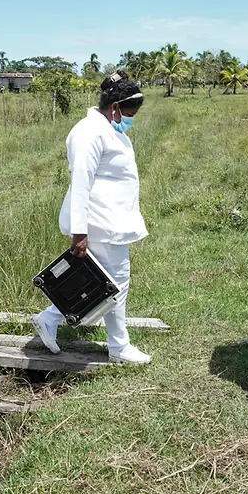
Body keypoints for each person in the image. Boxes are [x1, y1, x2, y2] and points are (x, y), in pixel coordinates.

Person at [31, 71, 151, 364]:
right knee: (115, 284)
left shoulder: (107, 129)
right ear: (115, 107)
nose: (130, 120)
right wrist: (79, 232)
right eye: (129, 115)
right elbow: (81, 183)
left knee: (101, 283)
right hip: (100, 221)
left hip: (112, 220)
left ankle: (50, 319)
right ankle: (119, 347)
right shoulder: (89, 133)